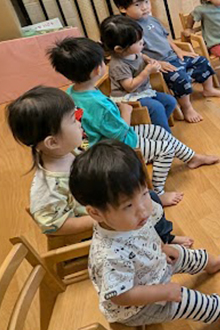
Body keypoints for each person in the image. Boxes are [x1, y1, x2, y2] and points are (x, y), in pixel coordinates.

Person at [70, 140, 220, 327]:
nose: (143, 210)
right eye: (128, 205)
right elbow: (120, 296)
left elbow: (147, 234)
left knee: (188, 254)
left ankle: (213, 264)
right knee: (195, 302)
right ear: (96, 213)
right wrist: (162, 292)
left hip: (154, 264)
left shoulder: (129, 221)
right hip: (140, 305)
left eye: (145, 194)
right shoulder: (108, 256)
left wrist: (162, 247)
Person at [7, 86, 192, 246]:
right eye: (74, 120)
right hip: (98, 226)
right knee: (146, 205)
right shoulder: (47, 186)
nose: (80, 123)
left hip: (110, 204)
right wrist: (101, 219)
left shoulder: (74, 148)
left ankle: (164, 237)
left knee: (150, 198)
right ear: (52, 142)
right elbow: (53, 225)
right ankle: (160, 242)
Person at [48, 36, 219, 204]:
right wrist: (126, 111)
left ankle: (192, 158)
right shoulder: (98, 103)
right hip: (112, 147)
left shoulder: (72, 92)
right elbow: (119, 133)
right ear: (96, 70)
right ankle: (157, 193)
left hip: (100, 139)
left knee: (158, 131)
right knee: (165, 150)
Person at [113, 0, 220, 124]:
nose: (145, 7)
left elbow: (166, 38)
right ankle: (187, 107)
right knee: (180, 77)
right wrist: (158, 63)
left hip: (172, 56)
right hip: (158, 64)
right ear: (123, 8)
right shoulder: (129, 30)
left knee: (202, 61)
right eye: (137, 4)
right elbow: (136, 53)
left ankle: (208, 89)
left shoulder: (152, 20)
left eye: (147, 2)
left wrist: (179, 50)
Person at [100, 15, 176, 132]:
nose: (143, 43)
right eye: (138, 42)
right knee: (156, 108)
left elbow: (141, 55)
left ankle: (156, 128)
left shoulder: (132, 52)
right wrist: (147, 71)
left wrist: (148, 60)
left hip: (142, 91)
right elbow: (129, 87)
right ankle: (166, 135)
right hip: (128, 97)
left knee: (170, 101)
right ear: (119, 49)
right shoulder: (119, 64)